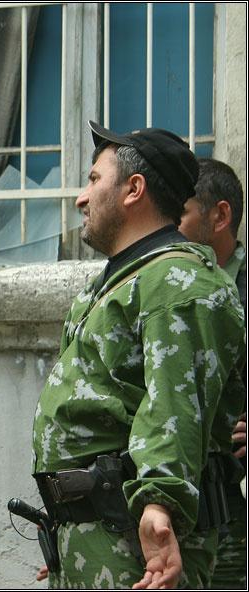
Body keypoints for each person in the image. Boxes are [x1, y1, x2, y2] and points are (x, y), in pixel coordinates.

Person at [29, 121, 245, 589]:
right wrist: (68, 526)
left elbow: (175, 407)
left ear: (134, 190)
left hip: (135, 544)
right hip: (94, 537)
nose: (81, 198)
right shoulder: (120, 282)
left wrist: (159, 506)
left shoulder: (179, 284)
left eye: (94, 179)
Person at [178, 157, 247, 590]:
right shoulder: (170, 289)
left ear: (220, 216)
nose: (168, 228)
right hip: (178, 515)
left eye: (180, 214)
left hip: (234, 522)